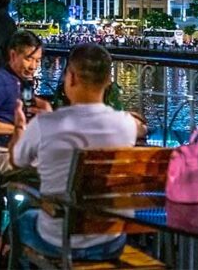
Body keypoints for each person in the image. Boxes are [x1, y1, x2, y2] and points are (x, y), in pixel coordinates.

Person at [10, 44, 145, 263]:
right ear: (108, 82)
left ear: (70, 78)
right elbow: (138, 127)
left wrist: (19, 126)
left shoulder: (46, 124)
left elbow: (16, 160)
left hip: (58, 239)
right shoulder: (126, 126)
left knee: (24, 219)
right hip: (110, 240)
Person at [0, 30, 48, 150]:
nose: (33, 66)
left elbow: (27, 106)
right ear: (13, 55)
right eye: (29, 59)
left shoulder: (25, 82)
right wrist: (17, 129)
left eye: (37, 60)